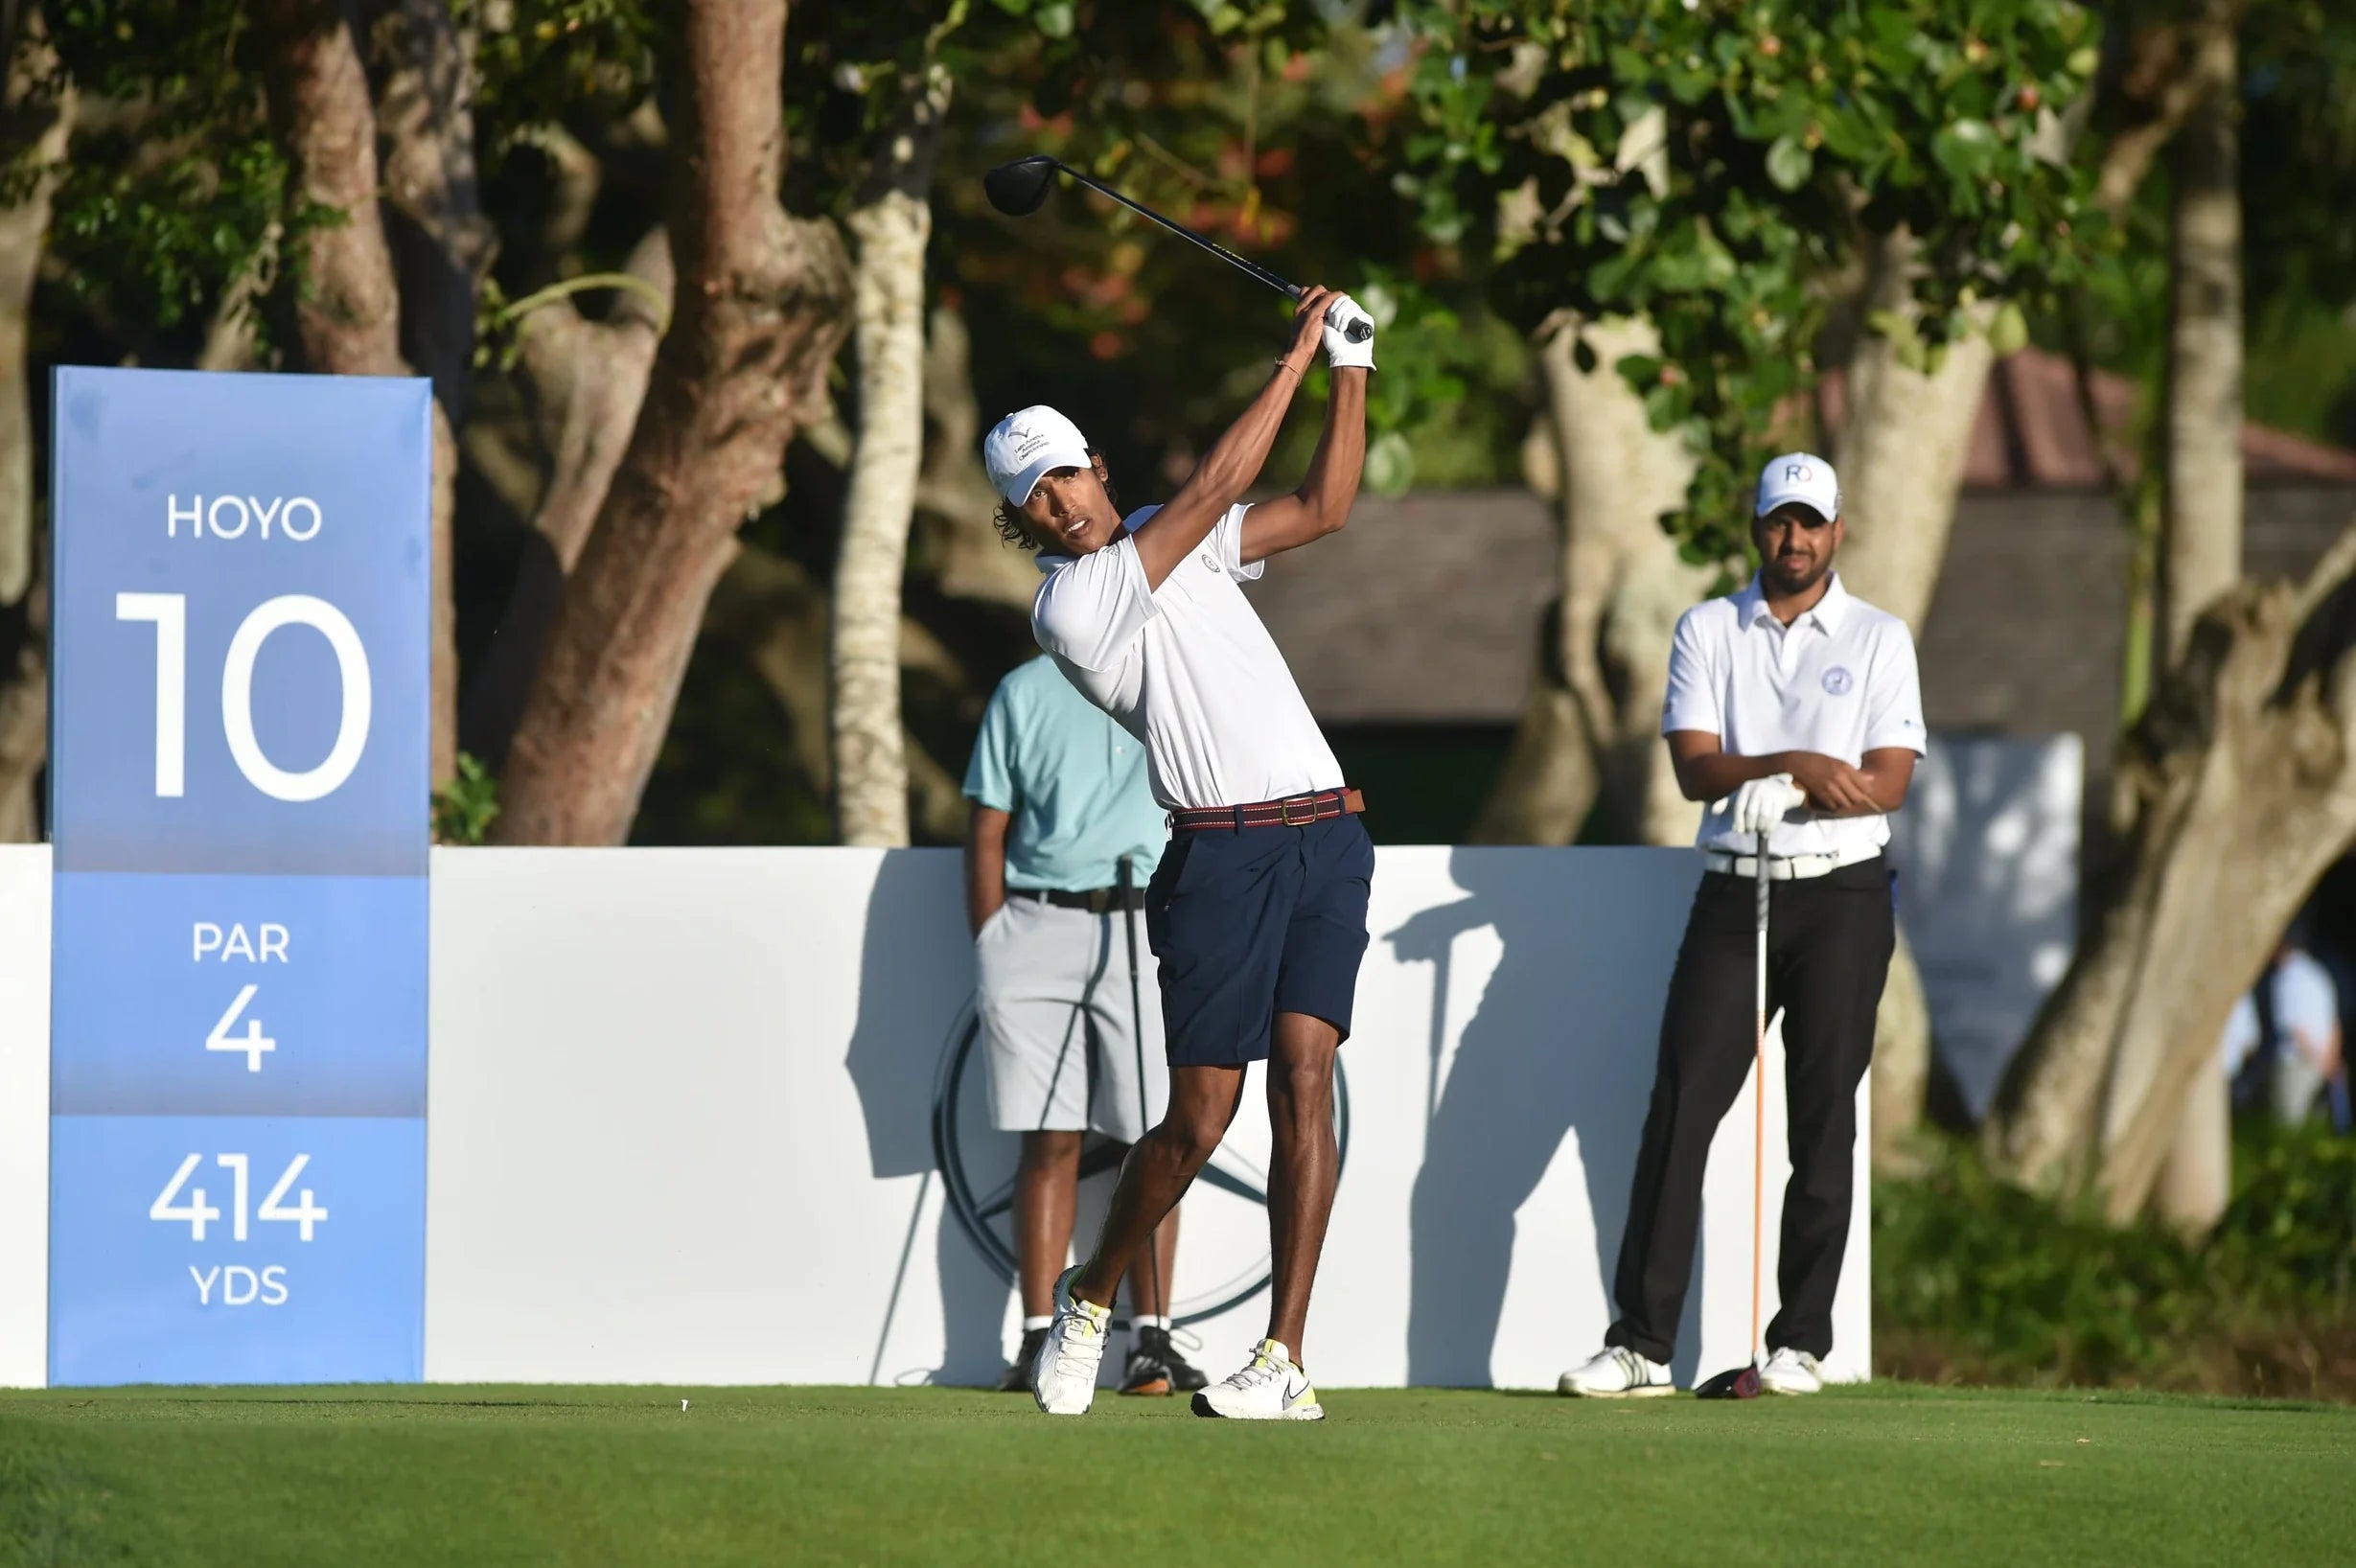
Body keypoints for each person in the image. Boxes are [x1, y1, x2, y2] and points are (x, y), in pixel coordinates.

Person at [982, 285, 1374, 1420]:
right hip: (1220, 856)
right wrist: (1295, 356)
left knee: (1307, 1084)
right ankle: (1090, 1294)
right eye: (1032, 496)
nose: (1057, 504)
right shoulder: (1070, 608)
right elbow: (1213, 488)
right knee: (1200, 1118)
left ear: (1095, 466)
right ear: (1024, 519)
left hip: (1324, 837)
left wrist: (1352, 365)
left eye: (1064, 475)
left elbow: (1324, 504)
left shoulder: (1182, 544)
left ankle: (1283, 1356)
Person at [1559, 451, 1924, 1398]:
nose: (1793, 539)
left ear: (1837, 531)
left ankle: (1798, 1340)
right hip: (1734, 890)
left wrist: (1778, 773)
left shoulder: (1880, 637)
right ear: (1755, 527)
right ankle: (1642, 1345)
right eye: (1778, 521)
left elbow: (1886, 780)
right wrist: (1800, 764)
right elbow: (1692, 765)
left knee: (1821, 1118)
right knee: (1680, 1110)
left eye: (1810, 522)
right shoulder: (1708, 628)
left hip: (1842, 895)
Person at [963, 653, 1207, 1397]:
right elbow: (987, 827)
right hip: (1036, 923)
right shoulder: (1022, 688)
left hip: (1144, 921)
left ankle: (1149, 1340)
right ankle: (1037, 1336)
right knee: (1049, 1137)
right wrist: (992, 937)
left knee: (1152, 1136)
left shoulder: (1169, 674)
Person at [2221, 936, 2344, 1128]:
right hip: (2322, 1061)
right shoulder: (2318, 974)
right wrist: (2330, 1061)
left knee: (2287, 1126)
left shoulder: (2287, 978)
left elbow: (2296, 1030)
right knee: (2313, 1125)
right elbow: (2334, 1023)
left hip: (2297, 1062)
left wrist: (2320, 1060)